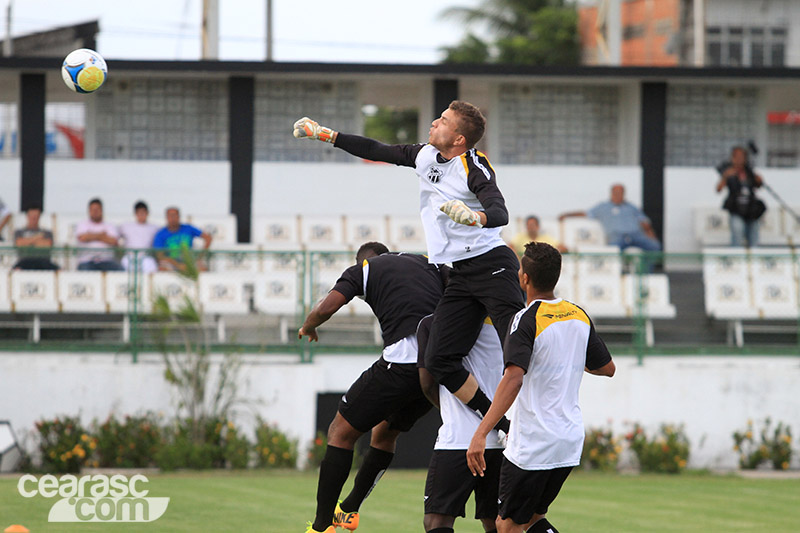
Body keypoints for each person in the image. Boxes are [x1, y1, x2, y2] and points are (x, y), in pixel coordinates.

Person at [293, 100, 523, 436]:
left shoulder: (474, 166)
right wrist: (327, 135)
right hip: (457, 273)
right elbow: (377, 149)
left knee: (517, 346)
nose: (433, 123)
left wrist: (477, 217)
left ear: (459, 139)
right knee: (439, 360)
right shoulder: (425, 155)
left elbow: (499, 211)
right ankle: (502, 426)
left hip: (491, 267)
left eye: (443, 121)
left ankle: (533, 416)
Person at [299, 242, 449, 533]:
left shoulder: (365, 269)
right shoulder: (426, 262)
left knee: (340, 433)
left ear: (363, 262)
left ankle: (321, 527)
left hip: (403, 361)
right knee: (385, 433)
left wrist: (309, 326)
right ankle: (350, 509)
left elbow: (327, 306)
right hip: (438, 365)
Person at [466, 242, 615, 533]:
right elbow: (606, 368)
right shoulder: (578, 315)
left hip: (533, 444)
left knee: (507, 526)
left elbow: (513, 379)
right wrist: (565, 357)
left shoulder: (525, 320)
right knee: (532, 520)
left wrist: (481, 433)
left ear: (524, 278)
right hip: (568, 439)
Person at [418, 314, 504, 533]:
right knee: (495, 522)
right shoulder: (507, 321)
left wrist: (449, 409)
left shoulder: (433, 323)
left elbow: (427, 384)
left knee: (437, 522)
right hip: (504, 440)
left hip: (458, 440)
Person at [559, 184, 661, 252]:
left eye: (620, 193)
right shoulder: (603, 207)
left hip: (635, 235)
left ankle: (647, 274)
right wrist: (567, 215)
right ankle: (620, 275)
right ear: (611, 193)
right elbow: (585, 213)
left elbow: (644, 223)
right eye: (616, 193)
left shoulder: (631, 207)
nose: (618, 195)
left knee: (654, 246)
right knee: (613, 251)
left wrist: (650, 235)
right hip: (617, 237)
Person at [716, 146, 765, 247]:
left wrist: (759, 180)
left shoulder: (749, 172)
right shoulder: (729, 171)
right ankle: (736, 260)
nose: (739, 159)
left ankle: (754, 260)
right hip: (736, 209)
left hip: (751, 210)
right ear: (732, 158)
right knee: (737, 232)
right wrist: (725, 177)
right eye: (737, 157)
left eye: (742, 157)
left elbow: (758, 186)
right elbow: (718, 189)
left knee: (754, 235)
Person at [152, 207, 212, 272]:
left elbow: (208, 238)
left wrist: (200, 256)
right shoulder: (160, 234)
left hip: (189, 260)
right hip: (171, 262)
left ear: (179, 217)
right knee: (163, 267)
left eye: (175, 215)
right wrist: (177, 265)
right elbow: (159, 255)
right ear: (166, 217)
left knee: (202, 267)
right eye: (170, 216)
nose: (173, 218)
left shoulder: (188, 228)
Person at [75, 198, 123, 271]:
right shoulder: (82, 224)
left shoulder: (110, 225)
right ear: (89, 211)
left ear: (101, 210)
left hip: (106, 261)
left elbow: (113, 241)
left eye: (97, 209)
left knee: (120, 270)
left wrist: (90, 235)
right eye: (92, 210)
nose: (95, 212)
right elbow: (82, 238)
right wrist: (102, 235)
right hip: (87, 261)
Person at [13, 205, 59, 270]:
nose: (34, 219)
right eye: (32, 216)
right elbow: (19, 243)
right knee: (16, 269)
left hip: (43, 261)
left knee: (59, 270)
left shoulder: (47, 232)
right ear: (27, 216)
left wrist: (28, 242)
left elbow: (47, 245)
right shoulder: (19, 232)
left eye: (36, 216)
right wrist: (37, 237)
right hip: (25, 261)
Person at [119, 200, 159, 273]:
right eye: (139, 213)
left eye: (143, 212)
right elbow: (117, 237)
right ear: (135, 214)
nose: (141, 215)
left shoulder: (154, 227)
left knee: (152, 269)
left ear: (147, 213)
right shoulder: (126, 226)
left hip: (146, 258)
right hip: (130, 257)